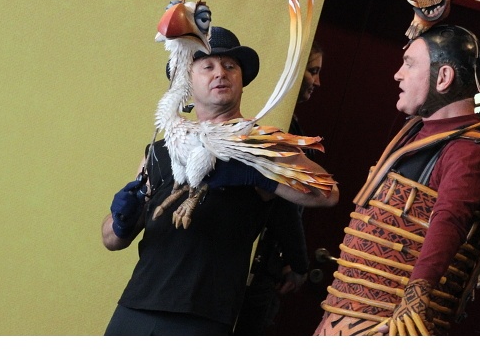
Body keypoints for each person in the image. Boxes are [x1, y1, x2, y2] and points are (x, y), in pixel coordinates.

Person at [102, 27, 338, 336]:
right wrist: (121, 219)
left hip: (204, 316)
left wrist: (257, 173)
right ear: (188, 79)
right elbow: (111, 240)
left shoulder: (257, 146)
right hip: (136, 306)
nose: (220, 74)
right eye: (208, 66)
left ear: (241, 80)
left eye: (230, 66)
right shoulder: (162, 150)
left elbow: (327, 192)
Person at [313, 24, 480, 336]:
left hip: (390, 327)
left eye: (409, 64)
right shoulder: (415, 130)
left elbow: (449, 222)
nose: (398, 74)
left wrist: (416, 298)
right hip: (342, 315)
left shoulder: (467, 152)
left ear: (443, 78)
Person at [233, 42, 324, 335]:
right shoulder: (280, 131)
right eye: (313, 71)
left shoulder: (291, 126)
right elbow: (283, 204)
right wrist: (299, 263)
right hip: (254, 270)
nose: (318, 81)